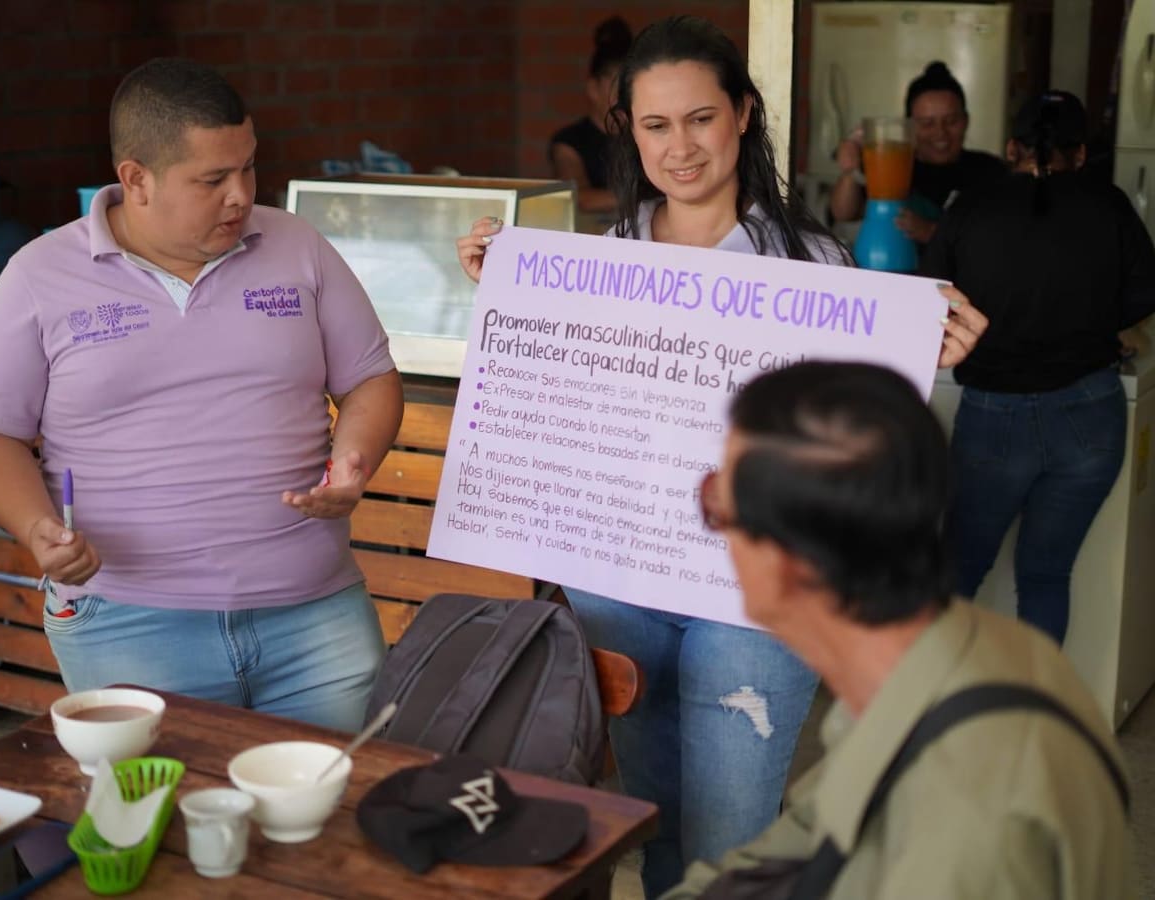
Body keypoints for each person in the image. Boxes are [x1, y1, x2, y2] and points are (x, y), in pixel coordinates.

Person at [457, 17, 987, 897]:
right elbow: (566, 408)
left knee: (731, 843)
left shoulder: (818, 262)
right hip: (620, 575)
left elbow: (851, 444)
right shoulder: (600, 258)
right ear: (629, 130)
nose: (681, 147)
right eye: (656, 125)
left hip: (754, 597)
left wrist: (917, 360)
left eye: (701, 118)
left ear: (744, 113)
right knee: (651, 821)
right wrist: (505, 294)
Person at [0, 58, 404, 732]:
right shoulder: (37, 277)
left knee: (343, 815)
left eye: (248, 167)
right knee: (166, 823)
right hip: (127, 624)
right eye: (212, 179)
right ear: (136, 179)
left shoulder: (298, 247)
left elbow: (370, 376)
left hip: (315, 615)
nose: (240, 195)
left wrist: (355, 461)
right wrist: (35, 527)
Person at [664, 360, 1133, 900]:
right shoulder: (938, 660)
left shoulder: (969, 819)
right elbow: (795, 848)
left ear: (788, 560)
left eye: (718, 506)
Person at [921, 90, 1155, 645]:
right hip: (1092, 416)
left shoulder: (973, 205)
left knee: (957, 577)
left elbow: (929, 291)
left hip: (994, 419)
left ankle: (931, 711)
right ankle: (1032, 720)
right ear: (1079, 156)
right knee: (1048, 577)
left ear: (1010, 148)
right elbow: (1147, 290)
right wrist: (1097, 322)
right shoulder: (1110, 202)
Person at [829, 61, 1006, 250]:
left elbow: (1003, 238)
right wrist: (850, 171)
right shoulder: (892, 165)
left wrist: (932, 232)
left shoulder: (990, 171)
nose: (940, 133)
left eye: (951, 121)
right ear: (909, 127)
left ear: (966, 121)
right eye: (927, 123)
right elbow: (844, 213)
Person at [548, 15, 631, 219]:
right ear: (593, 88)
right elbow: (579, 196)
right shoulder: (569, 141)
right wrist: (647, 197)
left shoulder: (643, 135)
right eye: (619, 87)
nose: (627, 97)